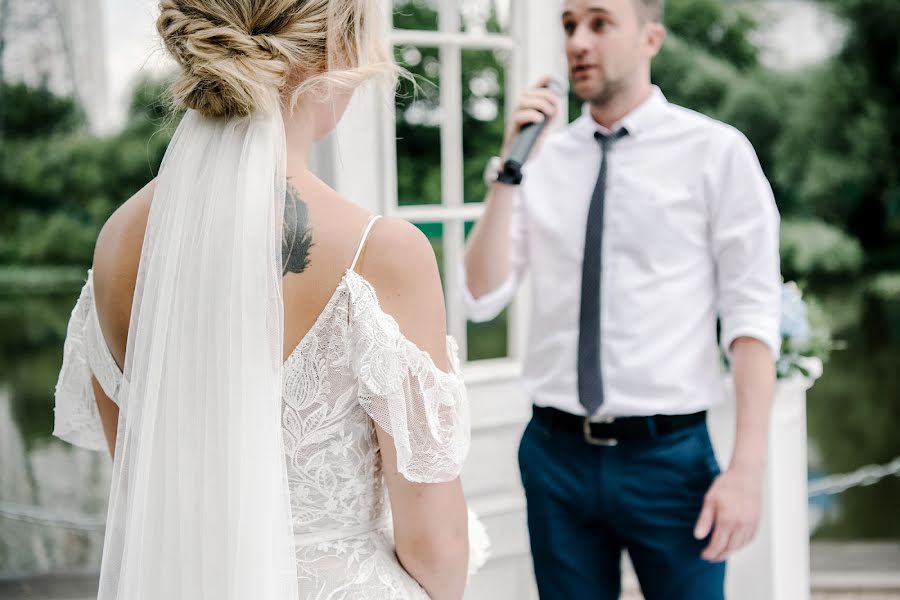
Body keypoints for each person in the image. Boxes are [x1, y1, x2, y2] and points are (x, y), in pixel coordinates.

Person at [51, 1, 472, 598]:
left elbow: (140, 498)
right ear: (337, 50)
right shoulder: (380, 252)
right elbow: (436, 544)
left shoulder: (117, 242)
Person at [463, 0, 781, 598]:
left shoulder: (717, 152)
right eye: (568, 25)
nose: (578, 41)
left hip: (671, 460)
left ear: (650, 38)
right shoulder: (541, 160)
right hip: (555, 457)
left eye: (600, 23)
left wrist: (746, 470)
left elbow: (751, 317)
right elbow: (481, 294)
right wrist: (508, 172)